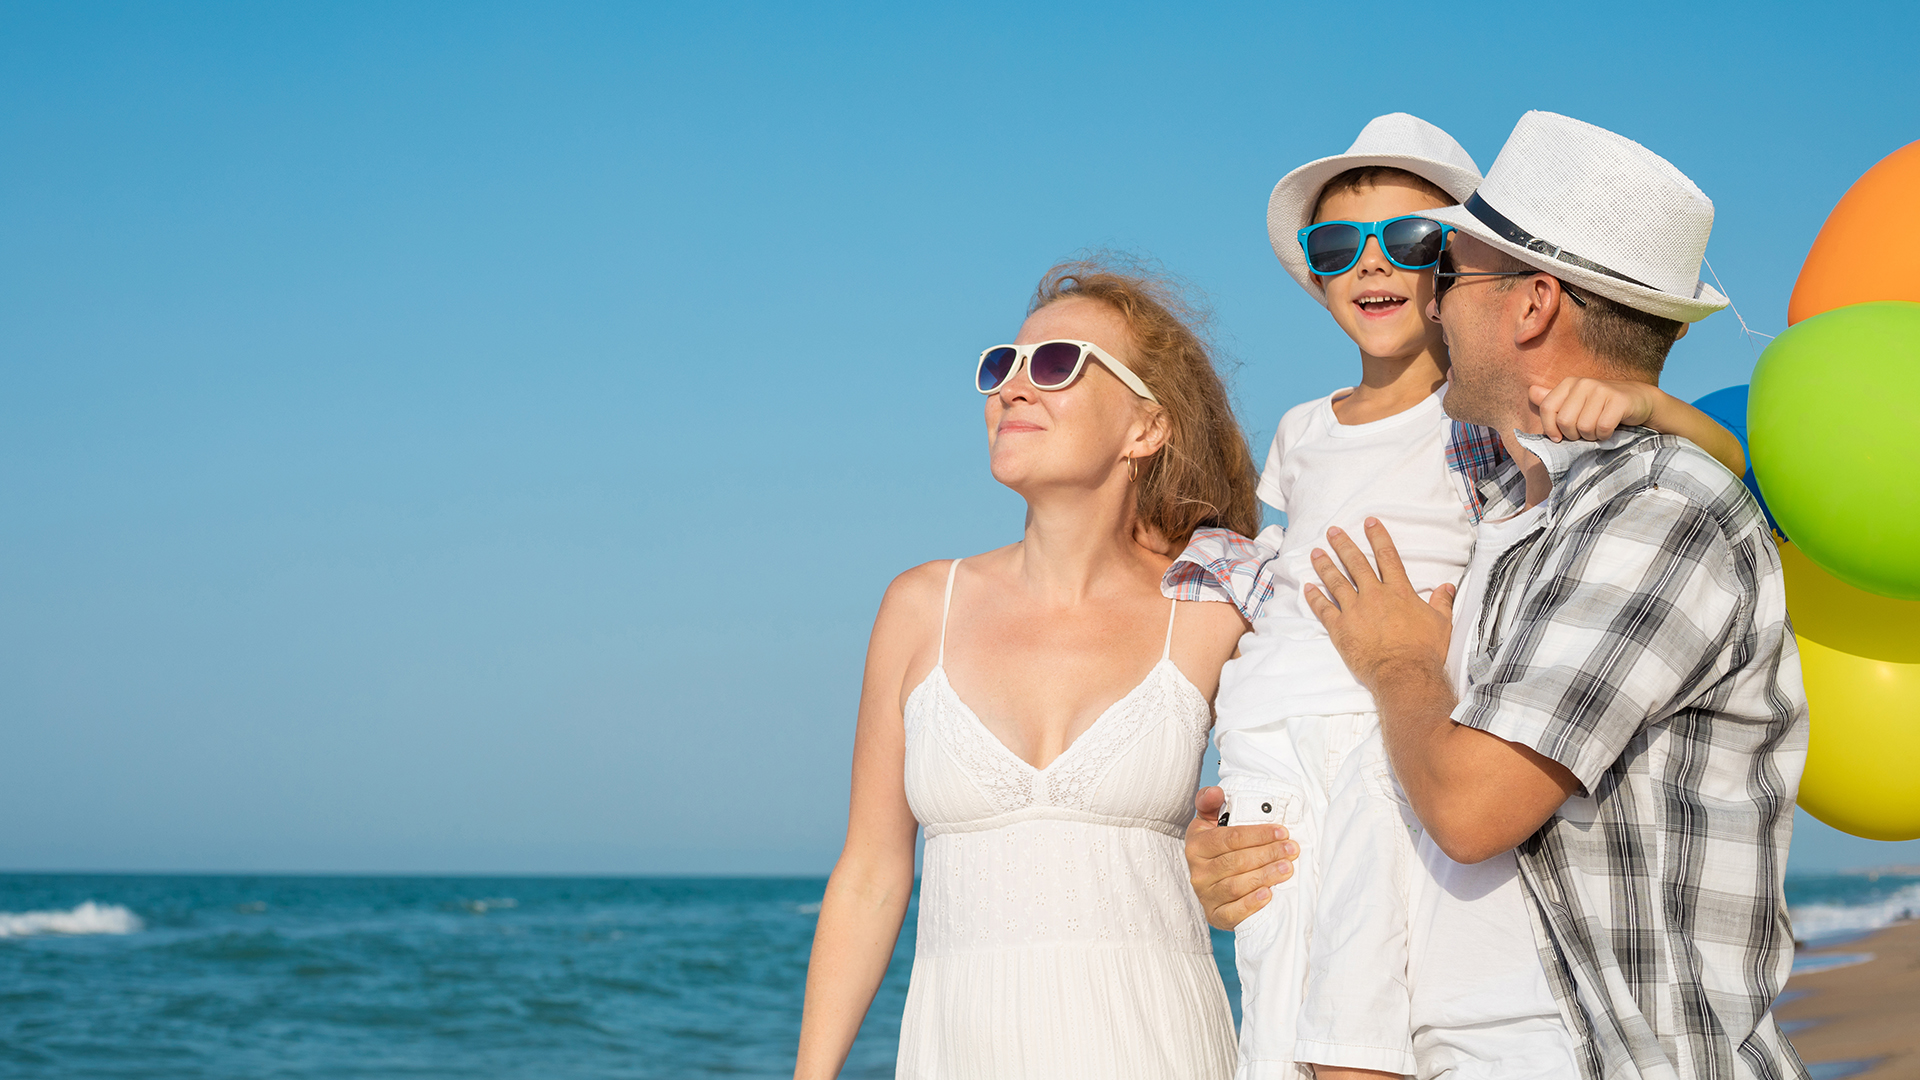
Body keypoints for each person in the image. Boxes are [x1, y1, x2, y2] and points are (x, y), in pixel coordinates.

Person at [1167, 113, 1750, 1080]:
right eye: (1336, 248)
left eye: (1417, 243)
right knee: (1280, 1007)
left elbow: (1718, 477)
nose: (1373, 266)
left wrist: (1652, 408)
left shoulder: (1509, 438)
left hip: (1392, 727)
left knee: (1357, 1004)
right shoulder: (1306, 431)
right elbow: (1268, 571)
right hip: (1286, 734)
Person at [794, 259, 1288, 1080]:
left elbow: (1332, 773)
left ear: (1146, 427)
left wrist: (1228, 849)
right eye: (1003, 366)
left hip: (1160, 1047)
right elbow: (873, 875)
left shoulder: (1217, 602)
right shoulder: (922, 607)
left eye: (1056, 365)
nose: (1014, 389)